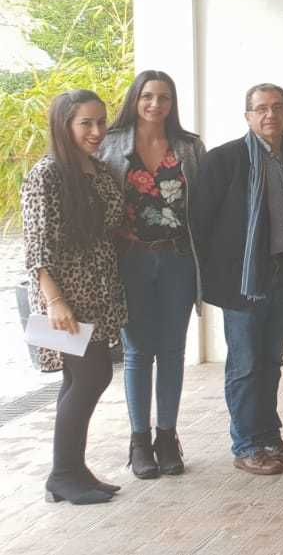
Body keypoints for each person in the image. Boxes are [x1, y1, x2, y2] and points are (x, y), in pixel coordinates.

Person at [191, 83, 283, 476]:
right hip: (245, 278)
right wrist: (219, 276)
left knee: (271, 361)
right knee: (245, 364)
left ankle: (268, 435)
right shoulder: (225, 159)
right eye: (261, 108)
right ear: (248, 116)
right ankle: (246, 443)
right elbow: (200, 222)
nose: (270, 115)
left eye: (278, 107)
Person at [99, 71, 205, 478]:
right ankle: (139, 440)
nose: (155, 104)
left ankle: (167, 436)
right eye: (148, 96)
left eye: (163, 97)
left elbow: (204, 205)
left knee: (173, 351)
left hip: (178, 257)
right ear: (135, 98)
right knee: (139, 352)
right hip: (131, 259)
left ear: (172, 102)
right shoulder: (110, 144)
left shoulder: (190, 147)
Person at [25, 90, 126, 504]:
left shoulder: (100, 172)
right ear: (65, 125)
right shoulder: (46, 173)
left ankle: (72, 470)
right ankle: (63, 474)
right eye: (86, 123)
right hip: (63, 299)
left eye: (101, 122)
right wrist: (55, 301)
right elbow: (36, 247)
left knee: (80, 380)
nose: (97, 131)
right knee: (91, 377)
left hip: (99, 293)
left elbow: (112, 227)